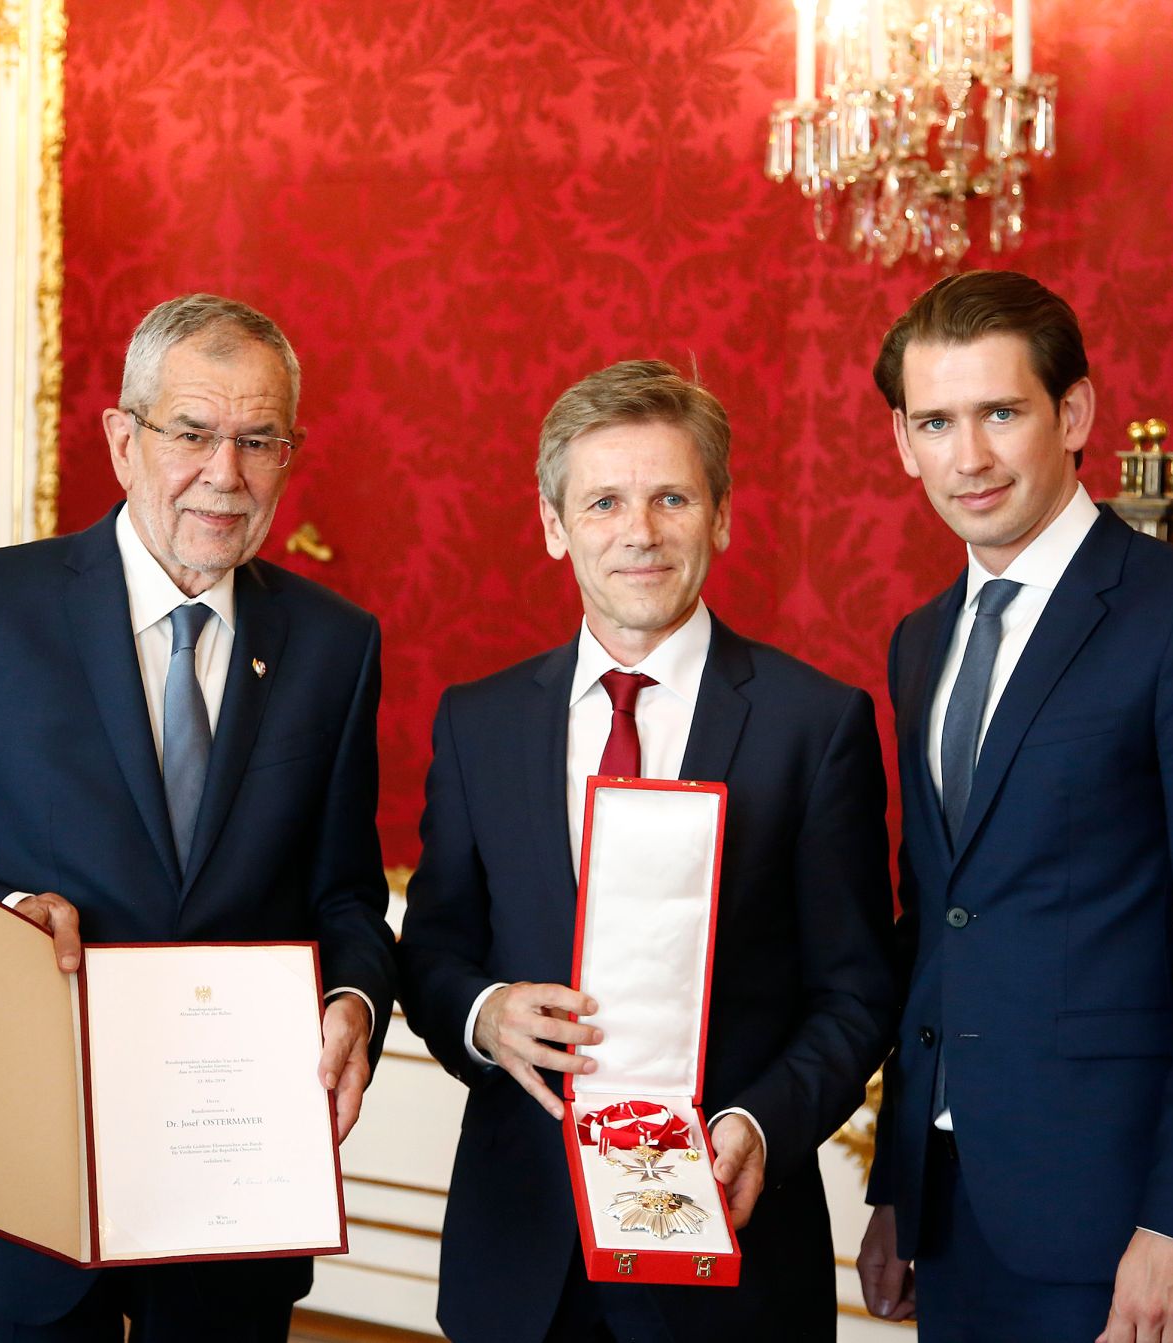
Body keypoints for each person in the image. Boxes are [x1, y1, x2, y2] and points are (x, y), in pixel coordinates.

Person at [0, 294, 397, 1342]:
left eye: (258, 439)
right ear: (123, 439)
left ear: (290, 453)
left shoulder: (333, 643)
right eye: (192, 432)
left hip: (227, 1196)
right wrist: (3, 917)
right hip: (20, 1185)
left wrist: (352, 995)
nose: (225, 472)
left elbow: (344, 888)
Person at [396, 359, 898, 1343]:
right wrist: (484, 1011)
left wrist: (757, 1124)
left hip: (730, 1255)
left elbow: (856, 990)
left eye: (671, 495)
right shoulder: (478, 722)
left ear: (718, 515)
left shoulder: (815, 724)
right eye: (604, 501)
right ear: (554, 526)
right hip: (518, 1257)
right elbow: (431, 949)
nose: (639, 530)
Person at [855, 270, 1173, 1343]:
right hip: (953, 1201)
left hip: (1120, 1216)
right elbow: (937, 925)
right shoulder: (921, 639)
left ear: (1073, 413)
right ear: (900, 440)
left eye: (998, 413)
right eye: (935, 421)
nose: (967, 457)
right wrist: (895, 1182)